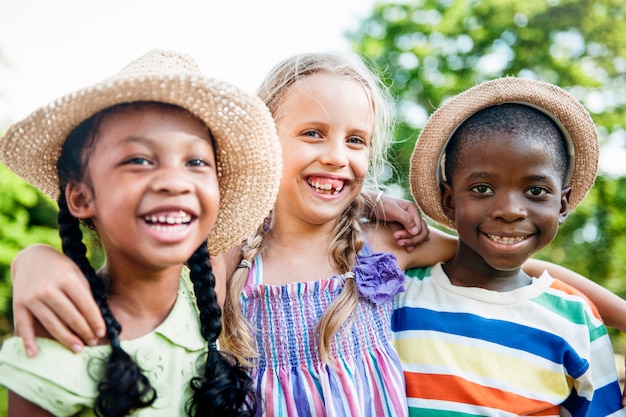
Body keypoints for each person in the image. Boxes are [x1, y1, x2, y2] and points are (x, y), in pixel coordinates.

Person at [7, 52, 626, 415]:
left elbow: (505, 268)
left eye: (355, 141)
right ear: (262, 144)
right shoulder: (225, 251)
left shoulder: (383, 242)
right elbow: (135, 282)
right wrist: (37, 259)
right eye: (312, 134)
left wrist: (619, 314)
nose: (337, 156)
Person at [0, 49, 284, 416]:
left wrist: (376, 202)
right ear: (81, 196)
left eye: (195, 162)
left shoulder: (206, 285)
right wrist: (31, 257)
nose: (173, 182)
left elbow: (311, 208)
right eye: (138, 160)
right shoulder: (58, 328)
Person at [393, 77, 625, 415]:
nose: (510, 211)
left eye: (535, 191)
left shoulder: (575, 318)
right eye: (483, 188)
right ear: (448, 199)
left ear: (562, 206)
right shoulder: (398, 294)